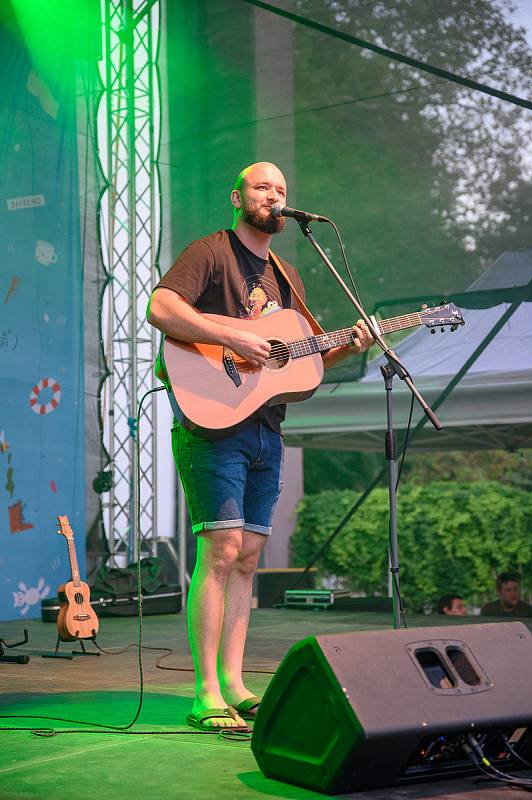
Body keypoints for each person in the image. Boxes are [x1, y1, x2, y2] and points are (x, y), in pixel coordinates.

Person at [147, 162, 373, 730]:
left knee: (247, 560)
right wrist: (232, 335)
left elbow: (303, 359)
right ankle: (204, 694)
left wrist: (350, 343)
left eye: (281, 189)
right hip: (212, 423)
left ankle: (235, 683)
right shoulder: (211, 251)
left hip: (265, 427)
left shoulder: (287, 274)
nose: (273, 195)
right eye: (262, 186)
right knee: (220, 551)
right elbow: (161, 308)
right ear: (237, 196)